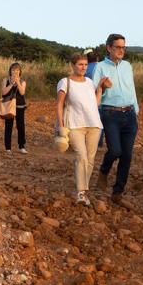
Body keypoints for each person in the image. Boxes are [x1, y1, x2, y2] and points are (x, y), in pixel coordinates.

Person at [92, 33, 139, 207]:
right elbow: (94, 92)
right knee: (115, 151)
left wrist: (136, 110)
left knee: (127, 156)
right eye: (118, 47)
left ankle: (118, 192)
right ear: (109, 48)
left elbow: (131, 88)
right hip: (110, 113)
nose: (121, 50)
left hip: (129, 114)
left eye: (123, 47)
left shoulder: (127, 66)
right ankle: (104, 170)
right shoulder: (100, 67)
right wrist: (102, 86)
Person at [56, 53, 107, 206]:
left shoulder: (90, 82)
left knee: (90, 160)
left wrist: (100, 90)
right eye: (80, 64)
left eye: (85, 65)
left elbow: (95, 104)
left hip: (94, 124)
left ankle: (84, 193)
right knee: (81, 156)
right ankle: (81, 192)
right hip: (74, 125)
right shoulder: (65, 82)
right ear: (72, 65)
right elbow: (59, 104)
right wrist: (61, 125)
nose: (83, 67)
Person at [1, 63, 28, 153]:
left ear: (20, 72)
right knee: (8, 126)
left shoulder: (23, 81)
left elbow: (22, 92)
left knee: (21, 126)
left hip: (20, 106)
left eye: (17, 70)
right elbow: (4, 92)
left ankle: (21, 147)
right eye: (13, 70)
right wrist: (12, 84)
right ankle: (8, 148)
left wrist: (17, 82)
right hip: (9, 106)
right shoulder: (5, 80)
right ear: (10, 71)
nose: (15, 72)